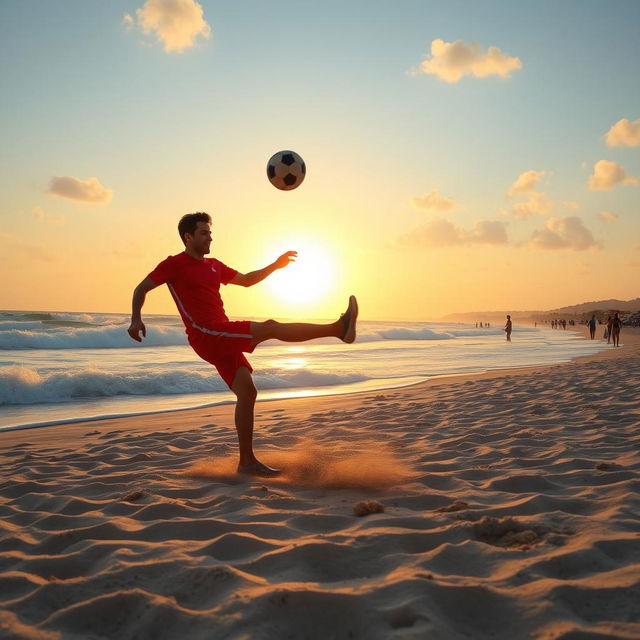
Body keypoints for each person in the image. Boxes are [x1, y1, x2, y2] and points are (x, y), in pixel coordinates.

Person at [127, 212, 358, 477]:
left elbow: (247, 280)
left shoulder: (214, 265)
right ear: (187, 237)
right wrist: (136, 320)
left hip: (221, 332)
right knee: (269, 327)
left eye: (210, 232)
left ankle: (246, 463)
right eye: (204, 233)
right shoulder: (174, 264)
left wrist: (275, 265)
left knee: (247, 392)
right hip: (207, 334)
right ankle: (339, 329)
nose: (209, 237)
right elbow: (140, 289)